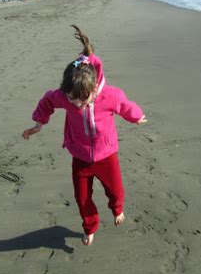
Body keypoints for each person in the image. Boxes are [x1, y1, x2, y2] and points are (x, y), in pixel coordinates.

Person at [23, 25, 147, 246]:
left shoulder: (109, 95)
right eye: (72, 99)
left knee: (116, 191)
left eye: (83, 99)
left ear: (93, 88)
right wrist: (38, 123)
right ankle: (90, 227)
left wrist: (136, 117)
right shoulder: (64, 95)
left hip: (107, 155)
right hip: (79, 156)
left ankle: (117, 209)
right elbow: (48, 101)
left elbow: (124, 105)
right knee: (82, 198)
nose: (77, 104)